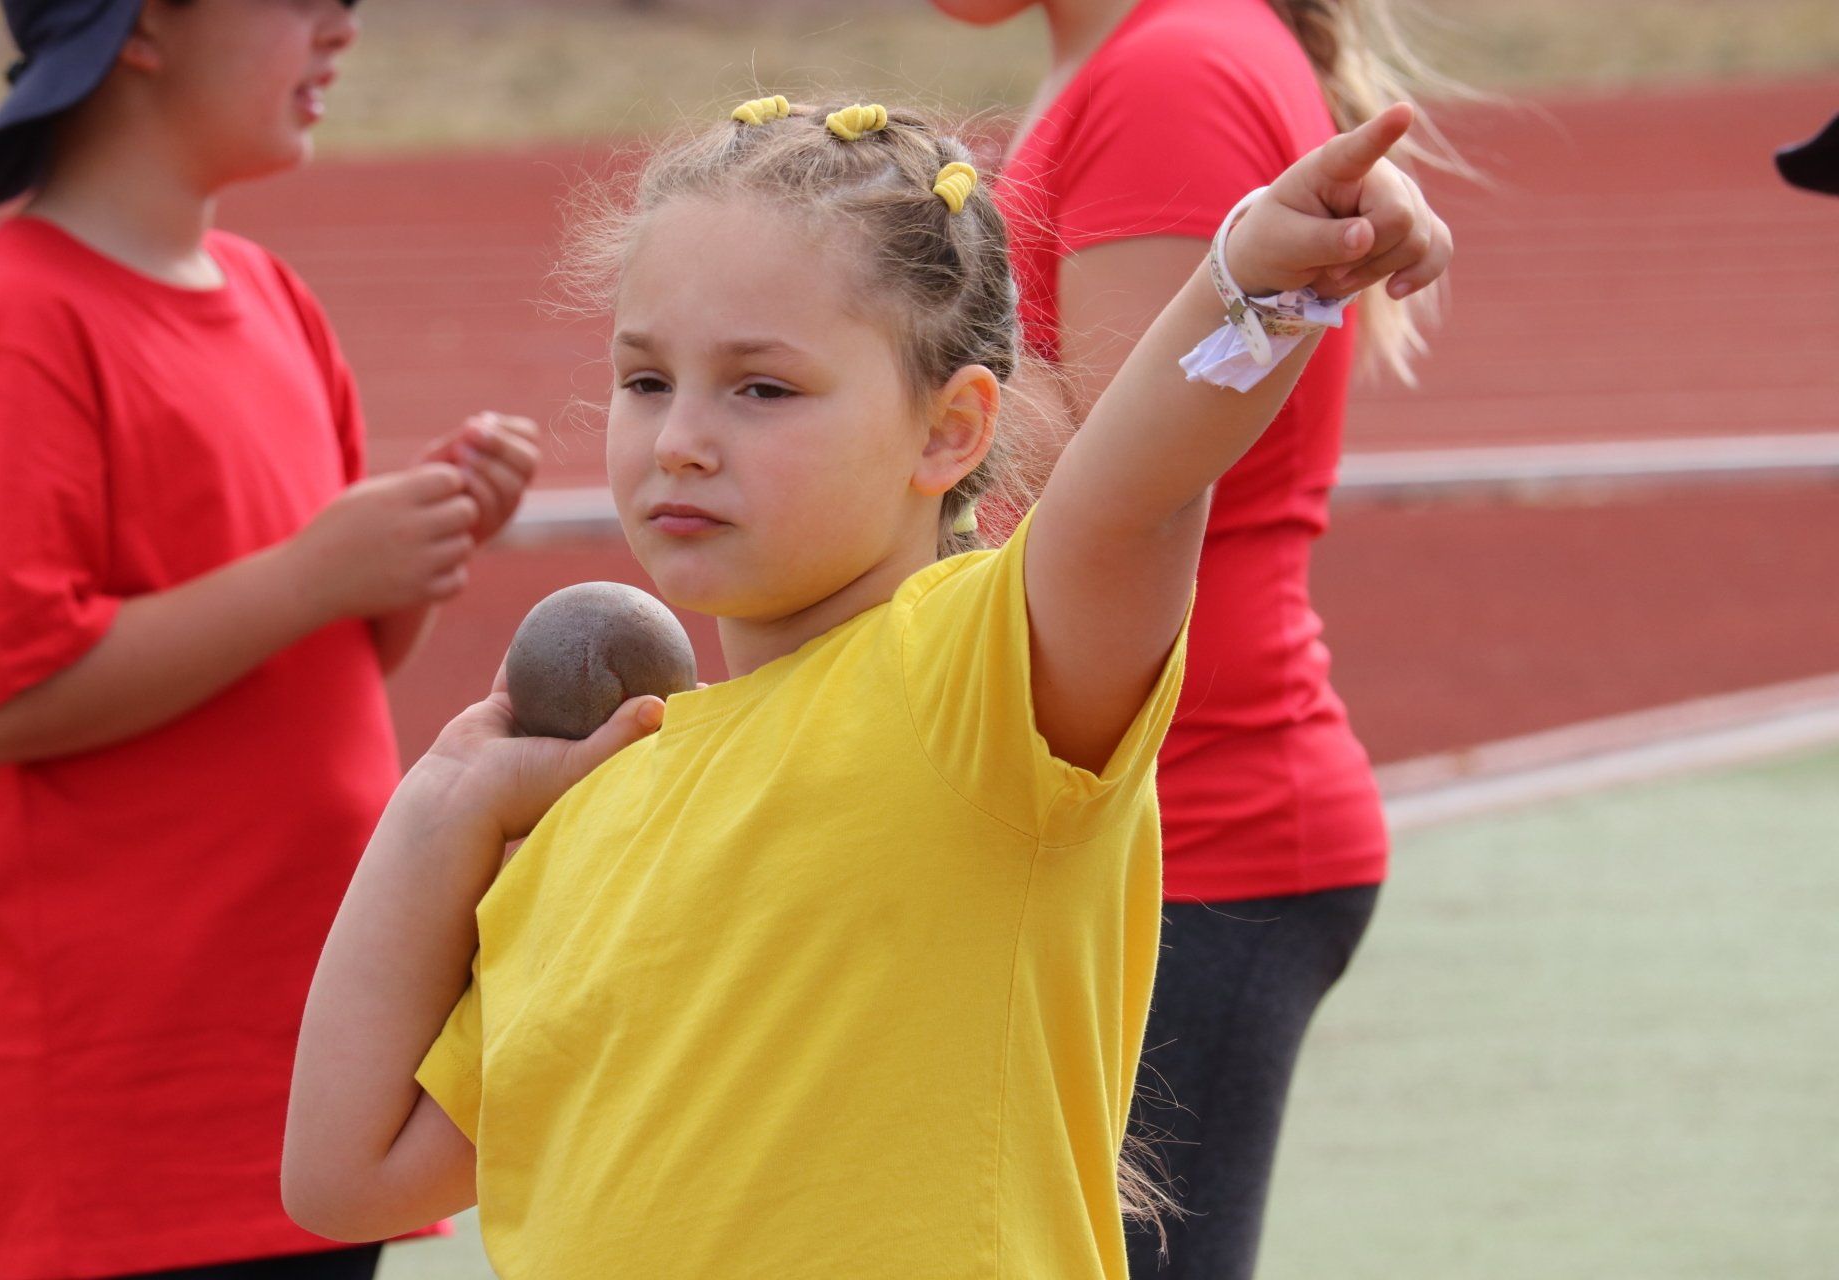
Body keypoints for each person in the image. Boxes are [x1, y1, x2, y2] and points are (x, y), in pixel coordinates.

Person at [281, 92, 1450, 1278]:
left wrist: (1260, 282)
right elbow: (343, 1172)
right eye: (646, 380)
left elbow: (1136, 488)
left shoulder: (979, 688)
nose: (681, 436)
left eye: (761, 388)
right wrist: (444, 798)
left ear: (949, 433)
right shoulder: (595, 805)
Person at [0, 1, 540, 1275]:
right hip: (120, 1113)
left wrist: (406, 555)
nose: (341, 30)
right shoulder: (19, 326)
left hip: (300, 1081)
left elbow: (319, 667)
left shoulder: (270, 296)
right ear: (142, 26)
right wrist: (315, 574)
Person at [930, 1, 1467, 1273]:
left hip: (1194, 833)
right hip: (1148, 819)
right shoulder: (1141, 58)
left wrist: (878, 368)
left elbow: (1120, 483)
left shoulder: (1176, 66)